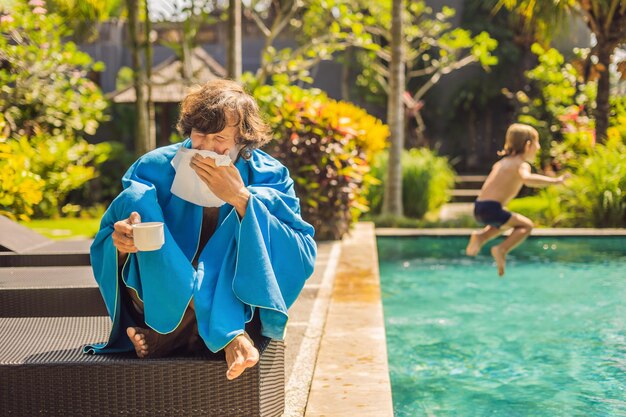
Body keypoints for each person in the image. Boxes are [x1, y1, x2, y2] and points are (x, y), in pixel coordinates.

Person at [84, 79, 317, 381]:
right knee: (134, 201)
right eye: (199, 135)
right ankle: (227, 335)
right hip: (165, 293)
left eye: (219, 138)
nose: (206, 148)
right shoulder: (153, 168)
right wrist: (120, 243)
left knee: (254, 210)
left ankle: (171, 338)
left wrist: (242, 199)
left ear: (242, 141)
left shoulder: (270, 175)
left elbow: (302, 250)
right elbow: (108, 240)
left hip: (235, 296)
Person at [465, 123, 568, 276]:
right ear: (528, 145)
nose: (538, 147)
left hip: (480, 207)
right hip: (492, 208)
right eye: (536, 143)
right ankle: (501, 249)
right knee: (526, 226)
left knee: (504, 222)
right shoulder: (521, 164)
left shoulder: (501, 163)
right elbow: (527, 179)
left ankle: (481, 237)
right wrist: (555, 181)